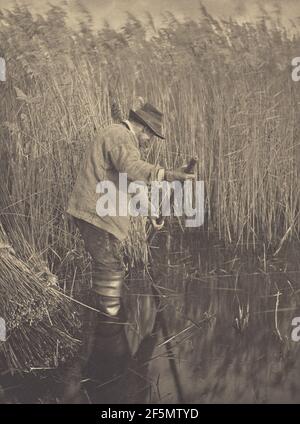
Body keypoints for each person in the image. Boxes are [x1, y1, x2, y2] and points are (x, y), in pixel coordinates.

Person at [66, 102, 195, 318]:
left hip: (100, 217)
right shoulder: (120, 135)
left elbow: (133, 183)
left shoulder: (122, 141)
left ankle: (105, 318)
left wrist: (152, 213)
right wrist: (169, 174)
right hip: (96, 216)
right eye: (151, 136)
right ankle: (110, 324)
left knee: (109, 265)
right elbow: (132, 168)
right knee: (111, 267)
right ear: (143, 128)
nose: (149, 143)